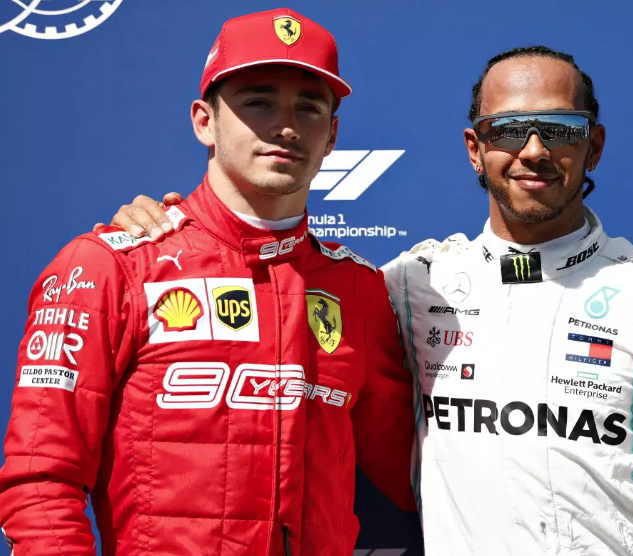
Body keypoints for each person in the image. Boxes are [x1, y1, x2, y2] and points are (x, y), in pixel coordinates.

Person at [102, 46, 633, 555]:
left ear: (592, 146)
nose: (534, 149)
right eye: (508, 131)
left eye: (560, 129)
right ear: (475, 148)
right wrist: (174, 228)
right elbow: (275, 274)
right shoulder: (412, 282)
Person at [0, 8, 416, 556]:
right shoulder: (110, 267)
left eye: (309, 108)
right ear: (204, 121)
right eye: (258, 102)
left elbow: (420, 471)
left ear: (332, 133)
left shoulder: (358, 289)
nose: (286, 126)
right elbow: (40, 482)